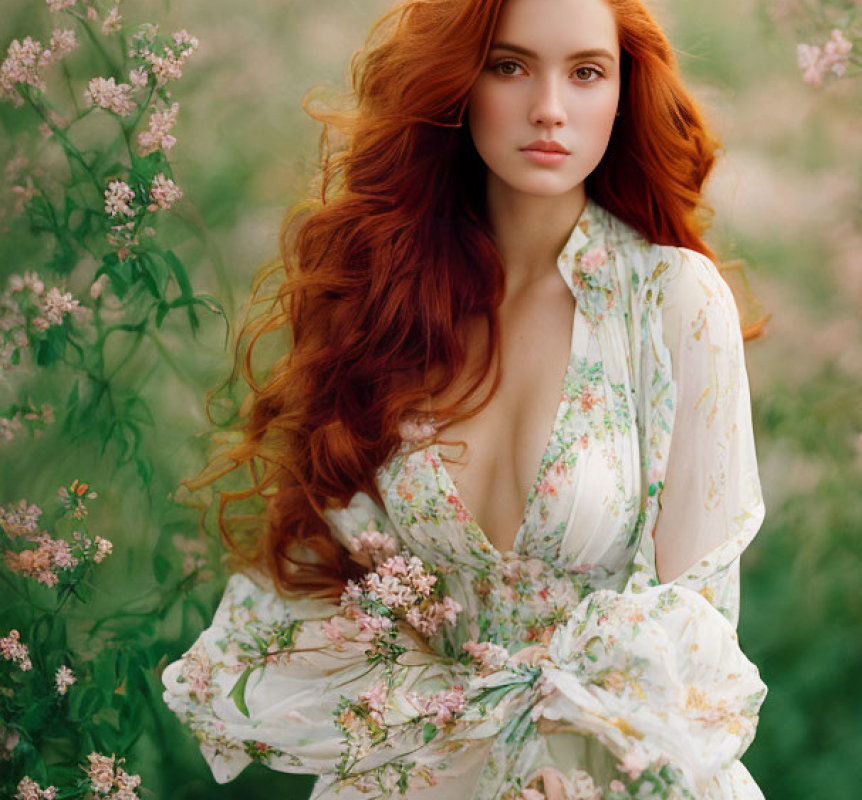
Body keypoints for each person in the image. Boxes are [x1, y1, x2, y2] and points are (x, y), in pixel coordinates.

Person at [161, 0, 769, 798]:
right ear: (457, 84)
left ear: (624, 94)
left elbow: (698, 624)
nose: (549, 108)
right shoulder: (386, 307)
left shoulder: (672, 304)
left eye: (586, 73)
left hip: (615, 775)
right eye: (510, 66)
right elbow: (347, 593)